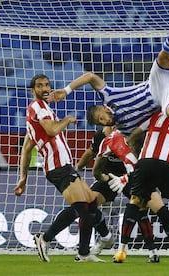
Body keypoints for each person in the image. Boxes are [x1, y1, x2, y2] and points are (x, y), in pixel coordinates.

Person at [47, 9, 169, 136]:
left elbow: (90, 77)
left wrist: (66, 90)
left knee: (163, 57)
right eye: (101, 123)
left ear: (103, 108)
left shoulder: (109, 96)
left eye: (102, 118)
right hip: (163, 99)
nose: (105, 122)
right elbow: (135, 138)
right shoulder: (125, 129)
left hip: (154, 83)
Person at [14, 74, 107, 263]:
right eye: (40, 86)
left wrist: (23, 177)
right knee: (83, 209)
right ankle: (48, 240)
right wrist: (66, 120)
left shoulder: (38, 113)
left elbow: (26, 149)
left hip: (63, 166)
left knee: (89, 205)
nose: (45, 88)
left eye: (47, 84)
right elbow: (52, 130)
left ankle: (83, 250)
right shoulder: (37, 107)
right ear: (33, 91)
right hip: (57, 167)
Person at [112, 110, 169, 265]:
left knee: (135, 201)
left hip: (147, 161)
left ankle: (121, 250)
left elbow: (133, 137)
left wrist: (139, 157)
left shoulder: (156, 114)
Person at [76, 126, 161, 263]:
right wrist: (77, 167)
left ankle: (152, 252)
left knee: (142, 209)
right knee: (88, 204)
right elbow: (92, 152)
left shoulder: (134, 134)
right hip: (109, 176)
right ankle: (97, 242)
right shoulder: (101, 136)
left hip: (130, 176)